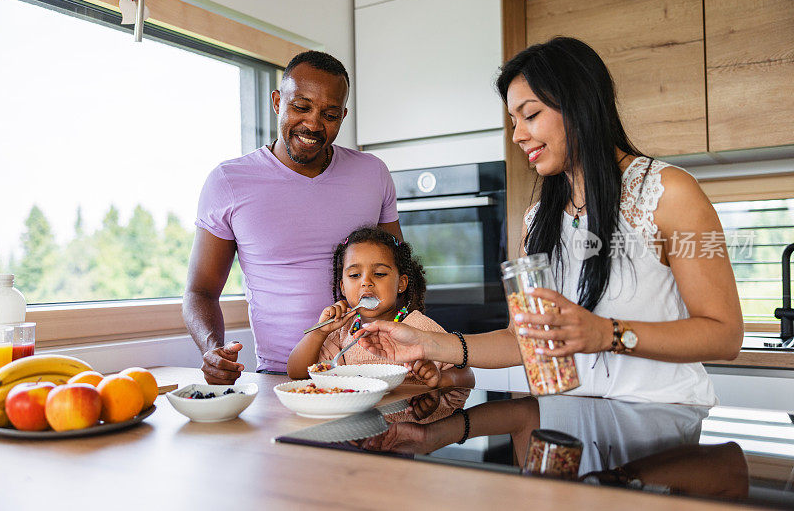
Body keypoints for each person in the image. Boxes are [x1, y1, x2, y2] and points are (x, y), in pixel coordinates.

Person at [355, 37, 743, 405]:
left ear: (580, 105)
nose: (518, 135)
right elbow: (520, 339)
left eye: (531, 115)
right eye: (513, 120)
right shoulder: (538, 219)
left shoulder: (667, 191)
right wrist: (425, 343)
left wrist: (607, 333)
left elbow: (724, 335)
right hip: (569, 428)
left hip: (663, 426)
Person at [184, 51, 402, 383]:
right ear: (277, 102)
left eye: (329, 114)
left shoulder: (373, 173)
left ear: (343, 116)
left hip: (369, 371)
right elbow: (200, 291)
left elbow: (402, 276)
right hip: (279, 378)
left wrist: (420, 351)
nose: (314, 124)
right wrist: (212, 350)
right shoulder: (228, 182)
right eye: (301, 107)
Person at [287, 226, 475, 389]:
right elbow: (297, 372)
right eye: (354, 275)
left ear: (401, 284)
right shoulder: (342, 332)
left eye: (379, 273)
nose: (366, 282)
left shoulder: (419, 327)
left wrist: (440, 379)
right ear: (343, 287)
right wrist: (319, 332)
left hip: (410, 422)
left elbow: (467, 377)